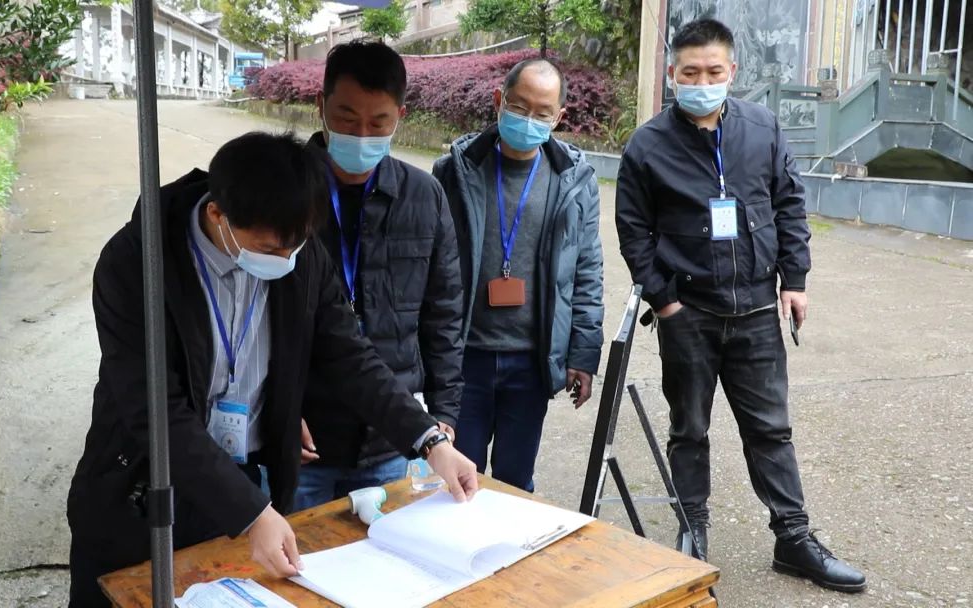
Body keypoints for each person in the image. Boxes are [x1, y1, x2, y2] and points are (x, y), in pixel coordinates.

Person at [66, 132, 478, 607]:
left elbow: (351, 356)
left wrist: (430, 441)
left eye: (295, 248)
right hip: (140, 489)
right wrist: (250, 512)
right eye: (268, 248)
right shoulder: (138, 263)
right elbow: (154, 410)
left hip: (237, 481)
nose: (285, 261)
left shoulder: (297, 254)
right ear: (218, 214)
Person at [614, 18, 866, 593]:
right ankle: (691, 530)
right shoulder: (648, 145)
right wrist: (667, 303)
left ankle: (793, 538)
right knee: (689, 429)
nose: (702, 81)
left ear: (733, 72)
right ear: (672, 75)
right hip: (689, 314)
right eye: (690, 72)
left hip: (755, 310)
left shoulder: (763, 127)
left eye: (714, 71)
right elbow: (634, 232)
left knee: (771, 431)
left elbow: (788, 205)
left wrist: (794, 280)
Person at [293, 42, 464, 509]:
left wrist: (442, 416)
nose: (362, 134)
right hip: (302, 438)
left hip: (391, 439)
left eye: (378, 123)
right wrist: (273, 414)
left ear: (400, 116)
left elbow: (444, 313)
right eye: (347, 120)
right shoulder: (285, 193)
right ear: (321, 108)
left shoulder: (424, 196)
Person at [432, 59, 604, 493]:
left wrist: (583, 354)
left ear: (559, 117)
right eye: (519, 106)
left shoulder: (574, 181)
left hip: (531, 358)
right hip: (464, 356)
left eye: (542, 112)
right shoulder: (454, 171)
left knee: (514, 483)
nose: (529, 119)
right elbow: (432, 268)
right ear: (498, 101)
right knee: (458, 481)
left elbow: (587, 271)